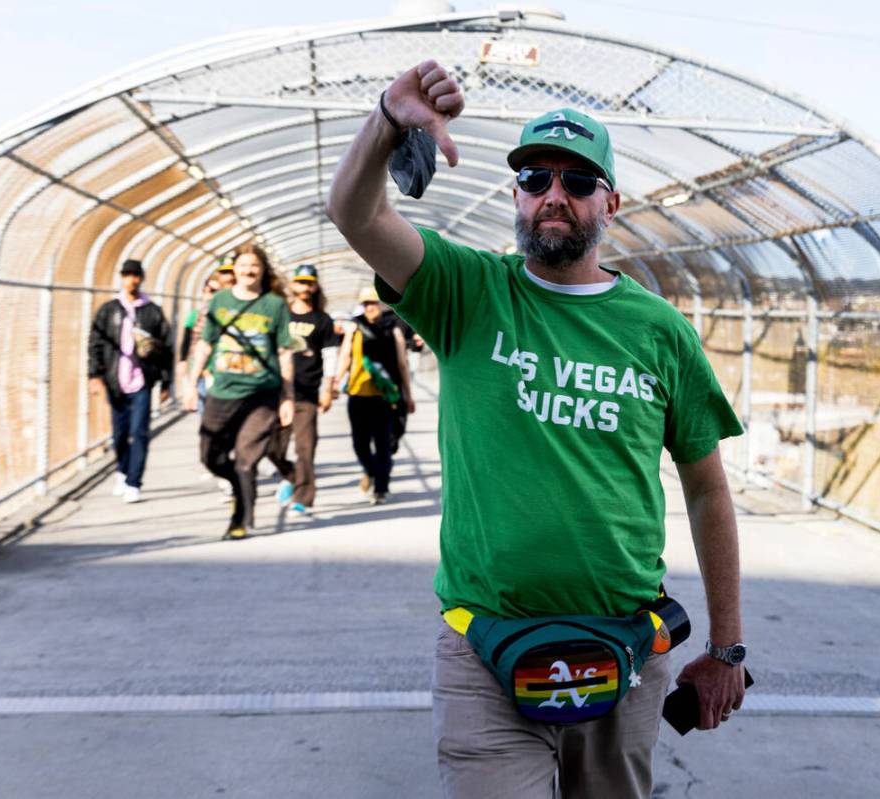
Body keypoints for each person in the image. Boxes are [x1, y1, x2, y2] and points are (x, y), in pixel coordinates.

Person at [327, 61, 747, 799]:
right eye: (536, 178)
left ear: (609, 202)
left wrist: (725, 646)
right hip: (484, 644)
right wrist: (388, 120)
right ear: (515, 193)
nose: (555, 195)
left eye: (577, 182)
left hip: (623, 643)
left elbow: (707, 487)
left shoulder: (658, 331)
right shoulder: (465, 291)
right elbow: (355, 215)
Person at [182, 243, 295, 540]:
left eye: (254, 265)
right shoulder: (219, 301)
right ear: (234, 269)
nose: (249, 270)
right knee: (211, 456)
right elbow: (205, 344)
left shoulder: (275, 305)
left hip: (262, 395)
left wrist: (287, 397)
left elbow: (284, 352)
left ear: (263, 270)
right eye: (243, 264)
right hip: (223, 392)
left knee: (247, 459)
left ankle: (241, 518)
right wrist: (191, 384)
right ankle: (238, 488)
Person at [88, 259, 173, 504]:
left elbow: (166, 347)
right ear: (122, 278)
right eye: (127, 275)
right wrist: (94, 375)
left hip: (142, 381)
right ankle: (122, 471)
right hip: (116, 380)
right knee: (120, 433)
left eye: (136, 275)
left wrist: (166, 381)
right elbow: (95, 343)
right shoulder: (109, 310)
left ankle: (134, 482)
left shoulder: (152, 311)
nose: (132, 280)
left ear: (141, 278)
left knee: (139, 431)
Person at [270, 264, 340, 519]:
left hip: (307, 392)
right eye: (300, 282)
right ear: (293, 285)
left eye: (309, 282)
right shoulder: (281, 314)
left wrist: (328, 389)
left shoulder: (322, 320)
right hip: (276, 393)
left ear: (315, 286)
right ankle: (291, 477)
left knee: (305, 447)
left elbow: (330, 354)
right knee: (270, 446)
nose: (305, 287)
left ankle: (303, 497)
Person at [332, 287, 414, 505]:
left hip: (384, 397)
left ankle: (381, 488)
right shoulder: (354, 328)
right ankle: (370, 471)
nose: (370, 308)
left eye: (374, 303)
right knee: (359, 444)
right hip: (358, 393)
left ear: (381, 305)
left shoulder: (393, 329)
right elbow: (345, 357)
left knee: (383, 444)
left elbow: (402, 363)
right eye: (366, 304)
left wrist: (408, 394)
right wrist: (335, 382)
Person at [177, 274, 220, 415]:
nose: (211, 295)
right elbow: (187, 338)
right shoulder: (195, 314)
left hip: (220, 368)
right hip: (201, 368)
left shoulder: (225, 313)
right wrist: (183, 360)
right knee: (205, 409)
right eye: (209, 290)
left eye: (216, 291)